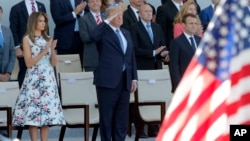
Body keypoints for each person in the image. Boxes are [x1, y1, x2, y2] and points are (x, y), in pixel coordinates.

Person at [12, 12, 65, 141]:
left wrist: (52, 49)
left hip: (48, 78)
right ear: (34, 22)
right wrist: (44, 51)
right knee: (33, 114)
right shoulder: (27, 39)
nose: (43, 23)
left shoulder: (48, 38)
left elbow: (53, 63)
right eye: (40, 21)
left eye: (44, 21)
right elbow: (28, 63)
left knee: (46, 116)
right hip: (34, 77)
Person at [90, 6, 138, 141]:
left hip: (125, 80)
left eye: (121, 15)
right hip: (107, 81)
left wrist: (134, 78)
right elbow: (92, 36)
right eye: (115, 15)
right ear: (109, 18)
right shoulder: (103, 32)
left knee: (121, 117)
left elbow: (130, 56)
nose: (119, 17)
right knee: (107, 117)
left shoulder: (126, 33)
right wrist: (106, 22)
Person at [130, 4, 169, 137]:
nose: (148, 14)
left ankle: (153, 127)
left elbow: (162, 45)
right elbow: (134, 49)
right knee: (141, 98)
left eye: (150, 11)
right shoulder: (134, 28)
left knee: (156, 96)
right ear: (139, 14)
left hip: (156, 67)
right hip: (142, 67)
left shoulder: (157, 27)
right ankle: (140, 129)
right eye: (145, 11)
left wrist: (163, 53)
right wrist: (153, 52)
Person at [9, 0, 46, 88]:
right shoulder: (16, 8)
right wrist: (17, 47)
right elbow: (14, 29)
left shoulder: (41, 6)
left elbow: (45, 27)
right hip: (24, 48)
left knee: (41, 73)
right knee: (25, 73)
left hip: (40, 47)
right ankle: (24, 97)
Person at [50, 0, 88, 68]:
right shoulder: (55, 1)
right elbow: (58, 20)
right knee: (65, 70)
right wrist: (74, 13)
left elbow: (89, 14)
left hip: (81, 39)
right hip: (65, 41)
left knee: (80, 69)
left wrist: (81, 12)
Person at [169, 13, 201, 93]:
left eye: (195, 23)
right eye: (191, 23)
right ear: (183, 25)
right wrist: (179, 84)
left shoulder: (200, 40)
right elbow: (174, 66)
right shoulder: (176, 42)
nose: (194, 26)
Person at [79, 0, 103, 72]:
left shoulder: (106, 17)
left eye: (97, 1)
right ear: (88, 4)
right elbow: (85, 38)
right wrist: (100, 33)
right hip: (92, 59)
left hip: (107, 59)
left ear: (101, 3)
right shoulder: (83, 19)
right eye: (92, 1)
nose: (95, 3)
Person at [0, 6, 16, 82]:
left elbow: (12, 52)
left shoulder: (7, 31)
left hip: (6, 77)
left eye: (0, 12)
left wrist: (8, 73)